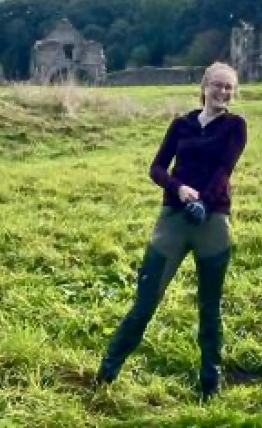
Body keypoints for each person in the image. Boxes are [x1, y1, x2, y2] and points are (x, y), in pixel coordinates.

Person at [96, 62, 247, 400]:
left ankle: (210, 382)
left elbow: (225, 170)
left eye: (229, 87)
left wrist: (204, 203)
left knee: (210, 306)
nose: (223, 92)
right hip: (173, 218)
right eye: (218, 85)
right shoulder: (181, 124)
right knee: (145, 300)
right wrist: (179, 189)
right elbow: (157, 168)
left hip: (212, 221)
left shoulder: (236, 126)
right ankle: (105, 373)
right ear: (205, 86)